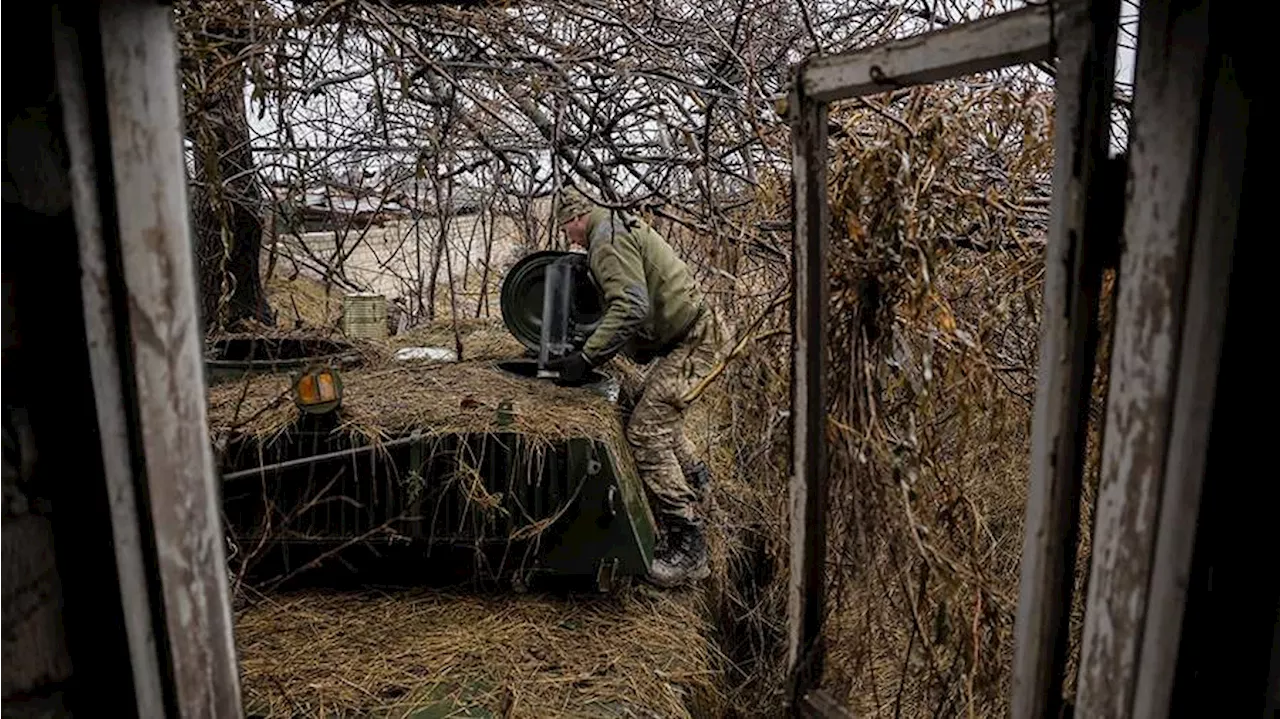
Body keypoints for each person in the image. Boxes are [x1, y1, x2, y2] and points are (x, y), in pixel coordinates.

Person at [546, 186, 725, 588]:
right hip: (696, 334)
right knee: (659, 416)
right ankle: (703, 494)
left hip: (694, 342)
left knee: (646, 433)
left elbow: (629, 306)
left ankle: (689, 546)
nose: (569, 239)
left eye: (566, 229)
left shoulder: (605, 239)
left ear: (577, 218)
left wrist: (587, 357)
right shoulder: (613, 223)